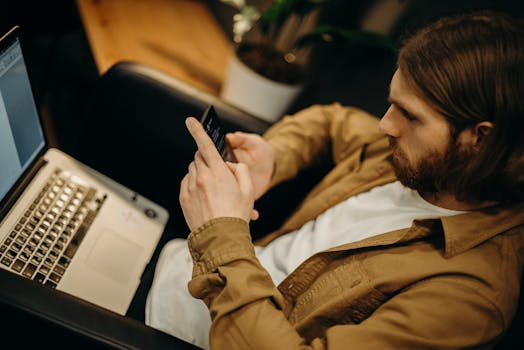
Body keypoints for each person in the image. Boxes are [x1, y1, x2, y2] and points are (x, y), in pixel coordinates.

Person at [145, 11, 524, 349]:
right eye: (391, 103)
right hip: (183, 268)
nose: (385, 125)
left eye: (410, 115)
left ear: (480, 139)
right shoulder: (422, 161)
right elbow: (331, 120)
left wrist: (220, 233)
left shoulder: (465, 300)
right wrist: (275, 158)